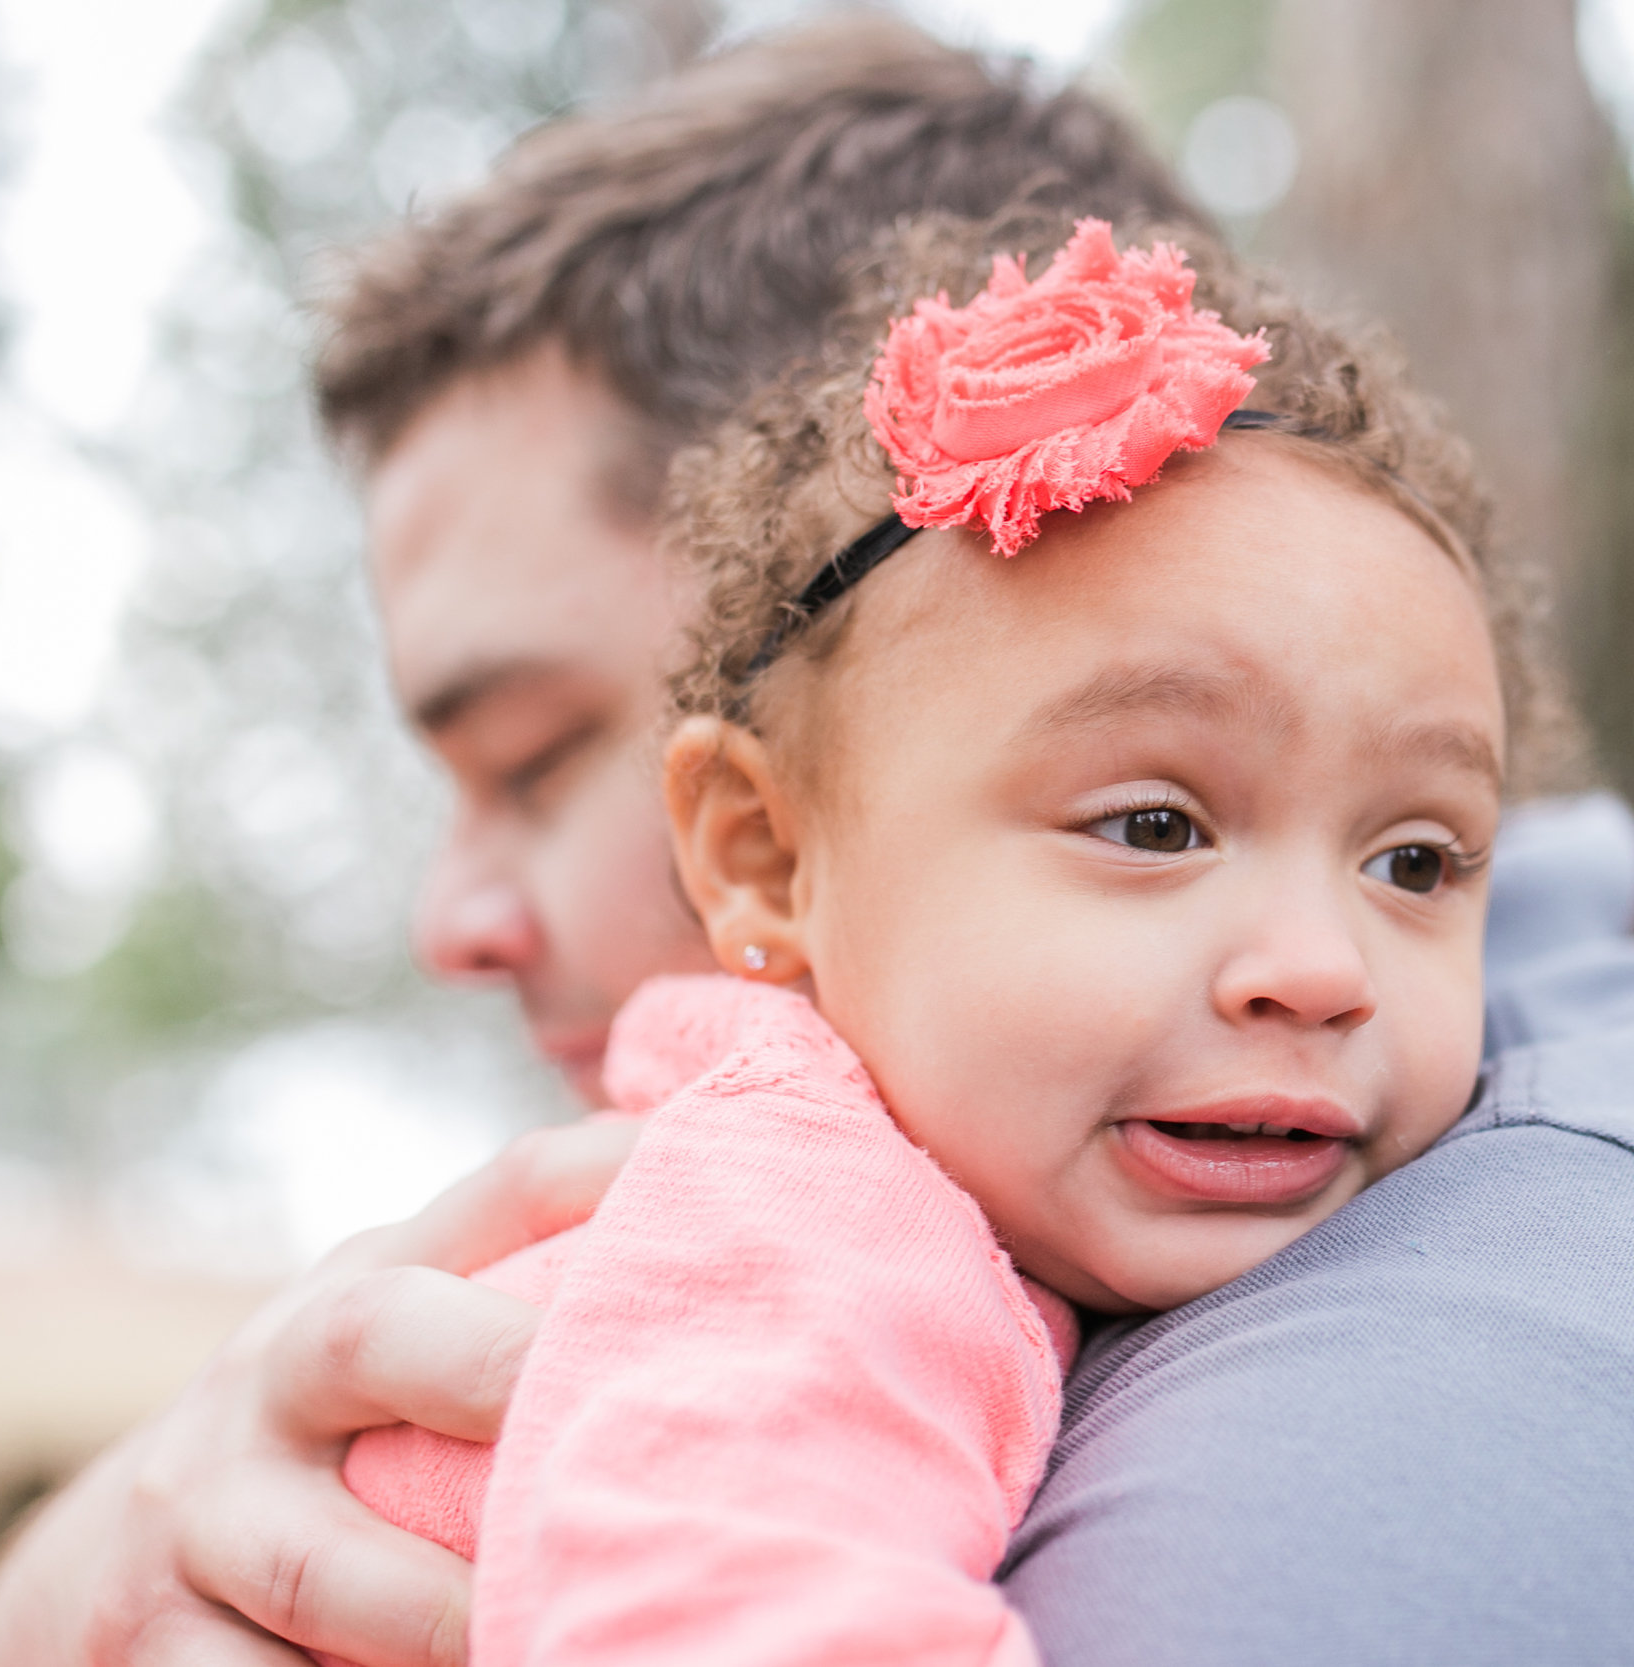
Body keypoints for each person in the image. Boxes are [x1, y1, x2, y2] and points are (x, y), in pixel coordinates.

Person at [0, 20, 1634, 1667]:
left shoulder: (1326, 1456)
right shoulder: (1010, 1202)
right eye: (1152, 824)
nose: (455, 919)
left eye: (532, 744)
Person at [342, 215, 1537, 1664]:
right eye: (1154, 827)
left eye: (1414, 860)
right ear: (766, 858)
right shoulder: (798, 1224)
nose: (1322, 968)